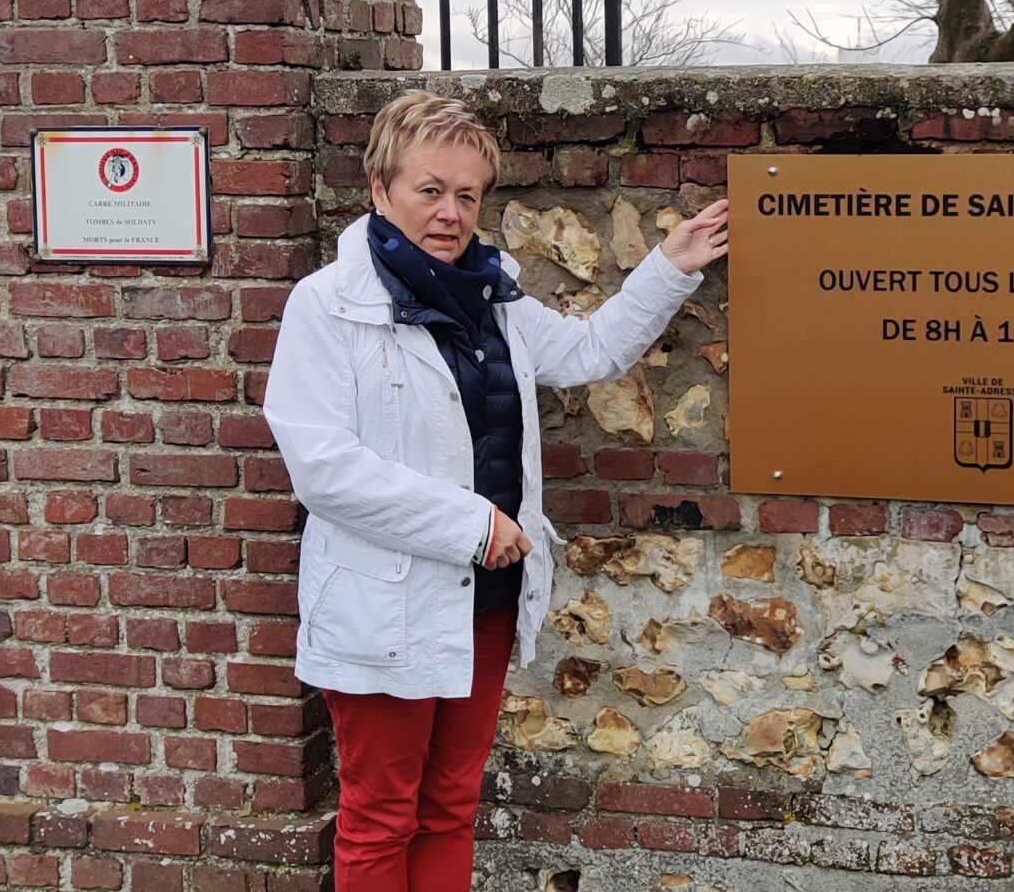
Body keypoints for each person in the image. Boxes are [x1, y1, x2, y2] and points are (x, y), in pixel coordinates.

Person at [263, 90, 728, 889]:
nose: (450, 213)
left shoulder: (496, 297)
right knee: (380, 816)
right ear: (380, 190)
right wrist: (471, 524)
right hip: (384, 606)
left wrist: (667, 268)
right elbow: (323, 468)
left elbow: (587, 353)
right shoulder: (328, 306)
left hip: (486, 599)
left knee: (450, 805)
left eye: (467, 195)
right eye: (430, 190)